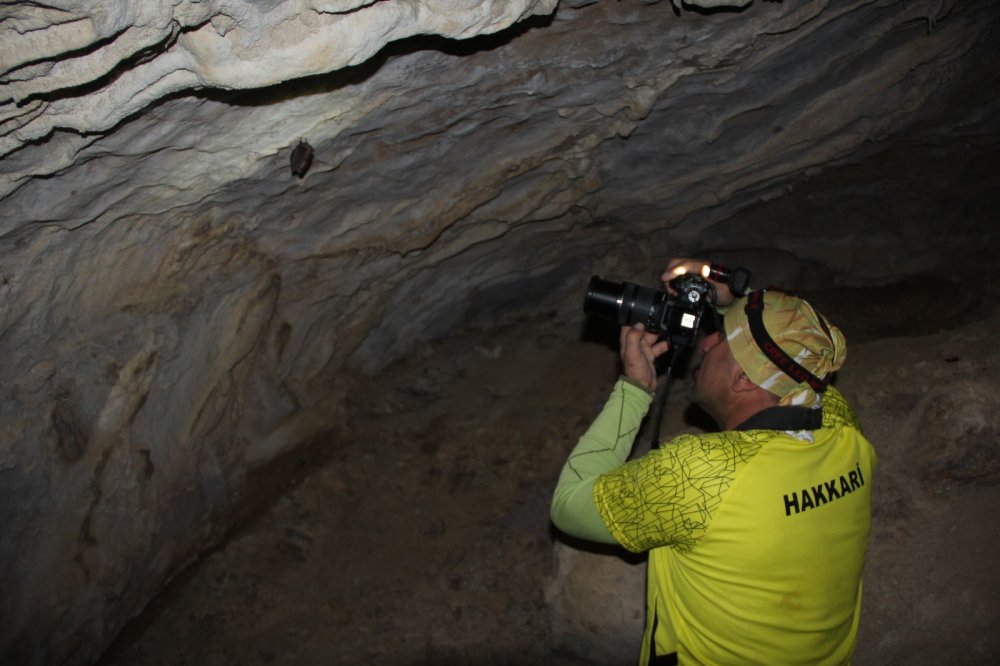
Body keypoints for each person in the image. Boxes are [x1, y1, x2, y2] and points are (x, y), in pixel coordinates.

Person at [550, 259, 876, 665]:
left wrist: (634, 389)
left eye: (720, 338)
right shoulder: (843, 431)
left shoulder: (702, 473)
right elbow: (805, 356)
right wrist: (726, 302)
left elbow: (568, 506)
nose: (704, 343)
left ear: (742, 381)